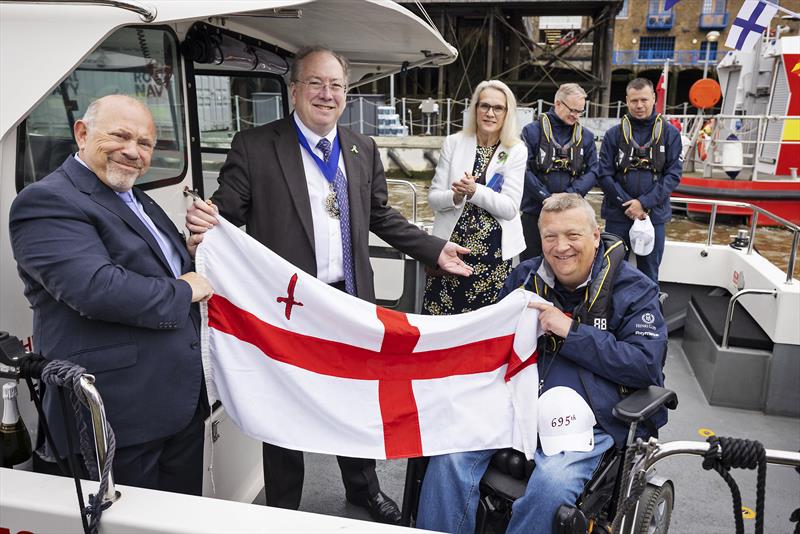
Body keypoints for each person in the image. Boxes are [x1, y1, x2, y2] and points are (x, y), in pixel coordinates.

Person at [185, 46, 472, 524]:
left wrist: (433, 248)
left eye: (336, 85)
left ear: (346, 94)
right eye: (315, 83)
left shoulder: (361, 147)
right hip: (289, 306)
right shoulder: (256, 147)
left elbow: (380, 214)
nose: (327, 94)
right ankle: (282, 507)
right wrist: (202, 225)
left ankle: (364, 490)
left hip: (348, 300)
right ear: (294, 90)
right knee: (285, 403)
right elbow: (225, 216)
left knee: (355, 399)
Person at [417, 193, 668, 534]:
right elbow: (492, 343)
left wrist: (571, 332)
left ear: (595, 235)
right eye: (550, 237)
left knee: (551, 484)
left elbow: (645, 366)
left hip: (587, 423)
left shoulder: (636, 291)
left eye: (572, 235)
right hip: (515, 407)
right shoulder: (523, 277)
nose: (560, 247)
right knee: (448, 456)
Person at [9, 95, 214, 495]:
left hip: (178, 403)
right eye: (120, 136)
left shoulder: (135, 195)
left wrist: (190, 253)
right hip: (116, 414)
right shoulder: (46, 201)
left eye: (145, 144)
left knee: (178, 520)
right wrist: (186, 287)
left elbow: (152, 266)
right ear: (82, 134)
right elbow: (96, 289)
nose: (133, 151)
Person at [422, 80, 526, 315]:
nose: (490, 113)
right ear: (475, 109)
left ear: (507, 113)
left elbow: (510, 208)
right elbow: (434, 198)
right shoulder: (454, 142)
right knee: (440, 322)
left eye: (498, 108)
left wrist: (475, 191)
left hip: (494, 258)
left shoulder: (516, 150)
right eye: (484, 106)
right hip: (451, 252)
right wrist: (456, 197)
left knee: (483, 328)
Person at [598, 77, 682, 283]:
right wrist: (628, 204)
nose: (639, 105)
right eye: (634, 101)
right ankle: (614, 314)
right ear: (627, 100)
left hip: (654, 216)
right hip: (618, 216)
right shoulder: (613, 135)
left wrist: (643, 203)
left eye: (644, 100)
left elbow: (673, 175)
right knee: (612, 272)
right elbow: (604, 174)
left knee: (649, 274)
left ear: (653, 98)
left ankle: (648, 314)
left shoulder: (670, 134)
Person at [519, 83, 598, 261]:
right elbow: (523, 169)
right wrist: (545, 197)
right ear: (558, 104)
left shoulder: (586, 137)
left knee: (565, 263)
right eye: (573, 110)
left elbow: (594, 170)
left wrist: (568, 196)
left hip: (570, 213)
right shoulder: (531, 132)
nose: (576, 116)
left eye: (580, 112)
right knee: (531, 264)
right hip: (535, 212)